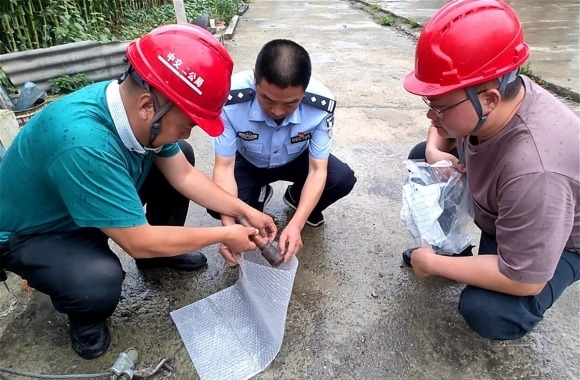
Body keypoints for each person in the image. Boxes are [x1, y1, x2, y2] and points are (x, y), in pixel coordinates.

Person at [0, 24, 277, 359]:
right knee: (98, 282)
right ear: (149, 106)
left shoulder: (134, 110)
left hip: (88, 197)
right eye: (188, 124)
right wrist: (224, 234)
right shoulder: (84, 142)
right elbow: (137, 242)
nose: (188, 133)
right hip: (39, 232)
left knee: (180, 155)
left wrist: (245, 211)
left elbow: (185, 175)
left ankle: (162, 255)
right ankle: (85, 316)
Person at [402, 0, 579, 340]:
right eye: (430, 104)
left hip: (560, 239)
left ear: (490, 99)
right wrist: (434, 148)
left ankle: (445, 257)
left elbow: (525, 278)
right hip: (506, 205)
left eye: (438, 108)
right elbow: (445, 117)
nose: (431, 117)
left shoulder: (536, 171)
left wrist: (434, 265)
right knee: (423, 160)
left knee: (489, 311)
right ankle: (452, 249)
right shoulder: (498, 96)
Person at [209, 39, 357, 265]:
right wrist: (228, 233)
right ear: (254, 79)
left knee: (341, 179)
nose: (277, 111)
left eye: (290, 103)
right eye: (266, 99)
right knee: (216, 205)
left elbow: (318, 170)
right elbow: (224, 166)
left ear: (304, 91)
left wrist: (296, 224)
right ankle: (257, 196)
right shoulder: (229, 99)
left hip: (296, 159)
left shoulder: (321, 105)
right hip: (247, 161)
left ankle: (296, 199)